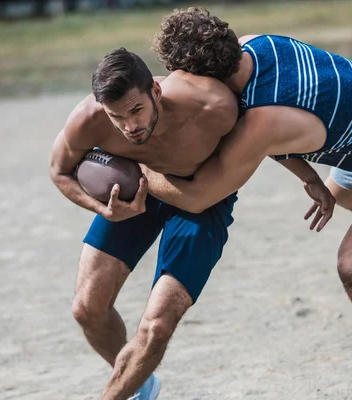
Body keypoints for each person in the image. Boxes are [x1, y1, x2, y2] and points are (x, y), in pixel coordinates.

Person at [145, 7, 352, 400]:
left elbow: (200, 197)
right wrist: (308, 176)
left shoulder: (263, 118)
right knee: (339, 194)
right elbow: (266, 119)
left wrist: (137, 170)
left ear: (202, 78)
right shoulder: (255, 45)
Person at [49, 47, 244, 399]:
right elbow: (59, 171)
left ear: (156, 90)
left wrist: (307, 176)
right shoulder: (87, 119)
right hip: (135, 194)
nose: (130, 126)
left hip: (200, 200)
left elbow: (264, 136)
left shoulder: (210, 106)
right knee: (87, 309)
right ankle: (140, 383)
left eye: (136, 110)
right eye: (117, 117)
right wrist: (101, 207)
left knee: (155, 327)